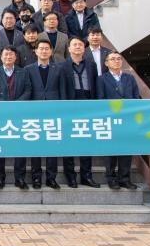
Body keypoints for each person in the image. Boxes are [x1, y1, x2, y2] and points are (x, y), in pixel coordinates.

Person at [25, 39, 67, 189]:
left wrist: (62, 110)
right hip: (34, 112)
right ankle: (36, 177)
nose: (43, 51)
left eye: (46, 49)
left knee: (52, 145)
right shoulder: (28, 69)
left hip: (53, 111)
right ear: (35, 51)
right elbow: (27, 90)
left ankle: (51, 178)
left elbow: (62, 90)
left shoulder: (58, 68)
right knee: (35, 146)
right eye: (41, 48)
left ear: (51, 51)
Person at [96, 51, 140, 190]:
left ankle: (124, 178)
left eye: (119, 59)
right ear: (106, 63)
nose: (116, 61)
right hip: (110, 119)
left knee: (126, 149)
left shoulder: (130, 78)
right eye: (113, 59)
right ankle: (111, 178)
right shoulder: (101, 79)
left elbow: (136, 97)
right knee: (110, 150)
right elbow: (100, 99)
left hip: (127, 119)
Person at [59, 37, 100, 188]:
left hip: (88, 106)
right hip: (69, 106)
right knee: (68, 142)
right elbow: (61, 88)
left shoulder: (91, 65)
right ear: (69, 48)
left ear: (84, 48)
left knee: (86, 142)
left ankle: (86, 175)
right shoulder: (62, 66)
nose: (77, 47)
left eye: (80, 45)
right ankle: (70, 176)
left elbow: (95, 84)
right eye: (74, 45)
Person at [0, 46, 32, 190]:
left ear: (15, 57)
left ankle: (20, 178)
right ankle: (0, 178)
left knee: (20, 148)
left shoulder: (23, 72)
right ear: (1, 57)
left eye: (11, 54)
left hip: (19, 115)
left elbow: (28, 90)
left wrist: (17, 104)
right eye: (6, 54)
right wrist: (5, 105)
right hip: (1, 115)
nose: (8, 57)